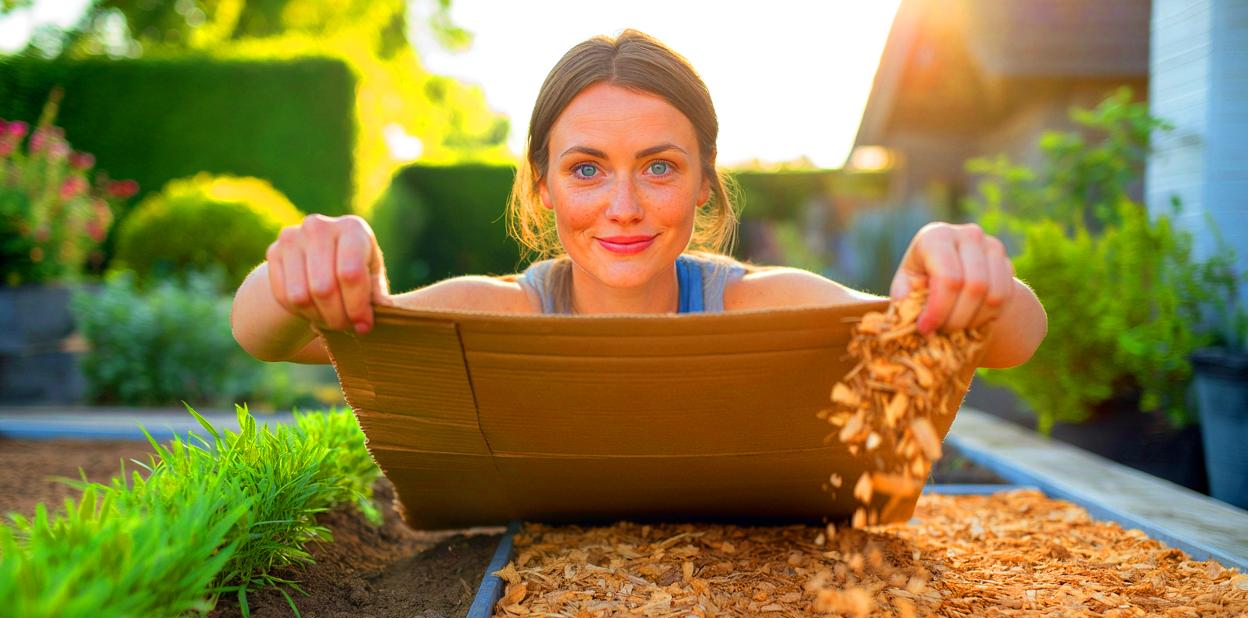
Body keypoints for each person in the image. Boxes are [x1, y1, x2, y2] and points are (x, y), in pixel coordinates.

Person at [230, 29, 1046, 369]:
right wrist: (307, 268)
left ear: (703, 183)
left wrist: (956, 277)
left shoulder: (756, 309)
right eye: (587, 170)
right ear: (542, 186)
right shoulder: (501, 317)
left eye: (658, 167)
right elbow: (266, 335)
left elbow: (1008, 339)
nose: (623, 205)